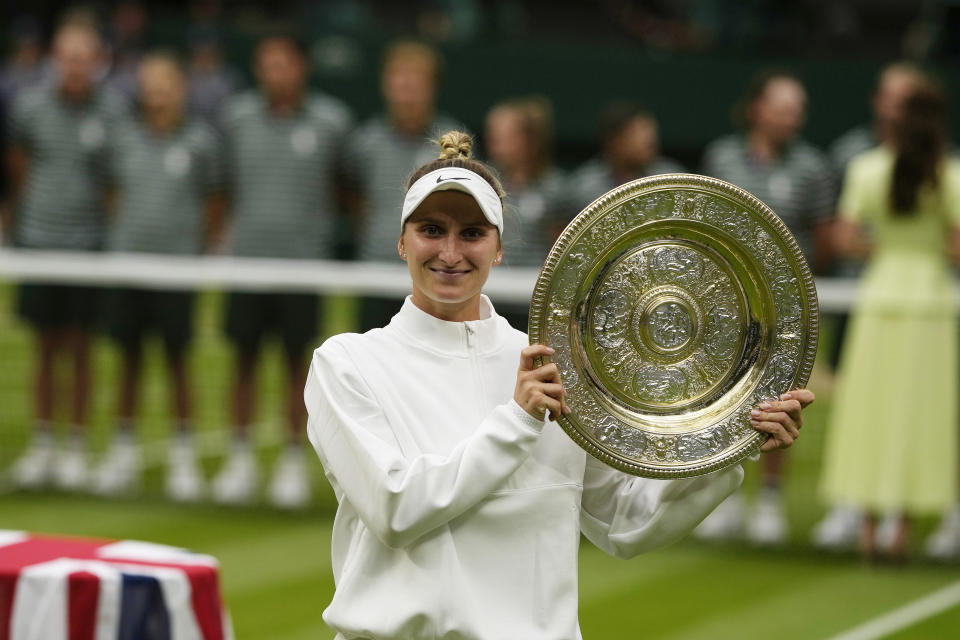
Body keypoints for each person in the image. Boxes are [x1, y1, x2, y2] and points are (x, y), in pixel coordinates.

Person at [304, 131, 814, 638]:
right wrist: (518, 421)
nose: (450, 252)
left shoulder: (552, 363)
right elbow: (396, 508)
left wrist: (733, 439)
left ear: (499, 249)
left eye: (473, 233)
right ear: (401, 241)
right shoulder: (346, 363)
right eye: (431, 230)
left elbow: (625, 522)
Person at [819, 83, 960, 561]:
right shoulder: (950, 175)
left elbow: (843, 238)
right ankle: (897, 528)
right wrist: (925, 247)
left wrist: (891, 248)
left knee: (873, 412)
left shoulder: (866, 169)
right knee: (916, 414)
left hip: (880, 295)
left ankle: (867, 526)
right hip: (930, 301)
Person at [212, 32, 353, 507]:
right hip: (247, 265)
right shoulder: (236, 119)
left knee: (299, 365)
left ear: (301, 68)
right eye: (267, 63)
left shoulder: (333, 122)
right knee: (244, 362)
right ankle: (240, 458)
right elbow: (224, 187)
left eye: (284, 63)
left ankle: (292, 462)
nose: (276, 73)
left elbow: (343, 190)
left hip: (302, 270)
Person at [697, 69, 834, 545]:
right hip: (727, 301)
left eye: (797, 111)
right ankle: (724, 495)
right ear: (756, 109)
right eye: (782, 108)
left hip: (787, 307)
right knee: (722, 396)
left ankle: (770, 501)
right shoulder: (722, 156)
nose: (790, 118)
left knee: (780, 402)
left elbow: (822, 237)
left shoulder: (812, 167)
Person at [90, 52, 222, 500]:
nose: (157, 94)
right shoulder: (122, 138)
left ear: (180, 89)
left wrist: (192, 249)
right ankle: (122, 454)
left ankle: (183, 458)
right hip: (127, 268)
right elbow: (111, 193)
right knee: (126, 361)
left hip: (177, 272)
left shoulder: (201, 141)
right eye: (150, 85)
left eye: (165, 84)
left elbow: (213, 201)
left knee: (177, 362)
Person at [4, 20, 124, 490]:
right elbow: (19, 166)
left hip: (87, 248)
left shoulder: (113, 112)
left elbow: (114, 179)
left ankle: (74, 446)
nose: (74, 66)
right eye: (66, 56)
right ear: (55, 60)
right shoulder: (30, 108)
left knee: (79, 349)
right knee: (43, 348)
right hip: (38, 245)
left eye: (82, 57)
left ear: (96, 62)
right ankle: (42, 445)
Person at [813, 62, 927, 551]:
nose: (899, 108)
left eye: (910, 99)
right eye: (893, 97)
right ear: (879, 102)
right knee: (863, 404)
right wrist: (905, 244)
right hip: (865, 301)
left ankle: (919, 513)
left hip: (921, 307)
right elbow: (839, 236)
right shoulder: (851, 157)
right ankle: (852, 507)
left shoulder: (941, 162)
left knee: (919, 407)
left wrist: (896, 244)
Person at [343, 40, 462, 332]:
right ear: (386, 86)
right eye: (399, 81)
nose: (407, 91)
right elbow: (353, 198)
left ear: (433, 87)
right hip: (374, 272)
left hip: (435, 275)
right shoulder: (365, 142)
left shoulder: (455, 144)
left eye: (416, 82)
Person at [482, 96, 566, 329]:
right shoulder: (484, 185)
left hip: (533, 304)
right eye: (492, 135)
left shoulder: (555, 188)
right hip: (489, 298)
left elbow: (559, 248)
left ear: (528, 141)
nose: (493, 142)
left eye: (502, 136)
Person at [564, 102, 684, 215]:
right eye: (636, 133)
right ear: (613, 140)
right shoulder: (584, 187)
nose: (648, 140)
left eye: (650, 131)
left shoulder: (672, 177)